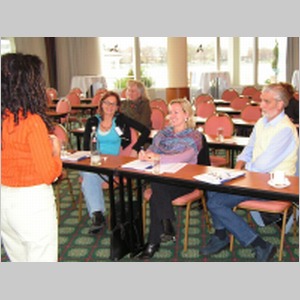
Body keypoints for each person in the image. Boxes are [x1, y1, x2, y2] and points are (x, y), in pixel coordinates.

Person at [200, 83, 299, 262]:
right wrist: (237, 168)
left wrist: (238, 177)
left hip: (275, 185)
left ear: (280, 104)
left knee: (216, 203)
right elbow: (249, 148)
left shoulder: (285, 129)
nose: (260, 105)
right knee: (211, 187)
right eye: (261, 100)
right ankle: (222, 235)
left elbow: (263, 165)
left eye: (266, 101)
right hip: (254, 179)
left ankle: (259, 244)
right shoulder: (263, 122)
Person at [1, 53, 62, 262]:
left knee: (18, 260)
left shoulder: (3, 118)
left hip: (4, 200)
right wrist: (56, 153)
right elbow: (48, 174)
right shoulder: (32, 122)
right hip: (30, 203)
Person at [136, 98, 204, 259]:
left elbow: (183, 157)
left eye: (176, 112)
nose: (171, 116)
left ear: (187, 115)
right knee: (158, 185)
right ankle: (155, 238)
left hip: (184, 181)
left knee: (156, 189)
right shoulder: (162, 133)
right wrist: (145, 155)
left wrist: (157, 157)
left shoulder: (195, 136)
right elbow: (151, 149)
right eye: (170, 112)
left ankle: (164, 229)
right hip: (162, 180)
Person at [81, 91, 150, 234]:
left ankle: (97, 216)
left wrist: (135, 149)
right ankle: (98, 215)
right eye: (107, 103)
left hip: (111, 164)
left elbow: (145, 131)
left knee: (88, 177)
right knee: (89, 172)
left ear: (118, 107)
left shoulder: (121, 121)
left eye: (113, 104)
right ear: (101, 104)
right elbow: (85, 147)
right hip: (93, 161)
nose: (110, 106)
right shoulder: (92, 121)